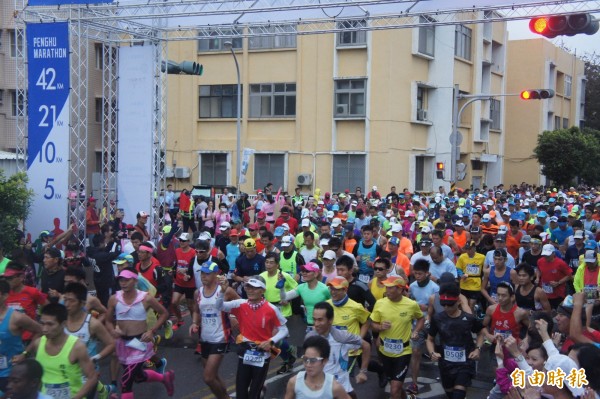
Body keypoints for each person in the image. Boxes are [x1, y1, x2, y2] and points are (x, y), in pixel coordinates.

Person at [216, 276, 289, 399]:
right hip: (245, 351)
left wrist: (271, 341)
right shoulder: (240, 304)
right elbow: (219, 306)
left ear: (263, 290)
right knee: (241, 390)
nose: (250, 290)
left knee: (254, 391)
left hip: (262, 353)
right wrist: (222, 291)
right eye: (248, 287)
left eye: (255, 288)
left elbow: (284, 329)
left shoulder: (271, 309)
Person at [105, 268, 174, 398]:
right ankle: (165, 378)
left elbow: (164, 313)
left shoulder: (145, 298)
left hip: (139, 344)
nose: (123, 283)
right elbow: (108, 321)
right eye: (121, 280)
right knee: (138, 377)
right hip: (123, 344)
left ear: (135, 280)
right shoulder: (114, 299)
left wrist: (151, 331)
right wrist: (112, 331)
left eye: (127, 280)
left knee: (126, 382)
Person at [189, 262, 239, 399]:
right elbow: (196, 311)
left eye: (207, 273)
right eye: (202, 273)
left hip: (221, 337)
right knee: (214, 375)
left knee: (208, 377)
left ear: (216, 274)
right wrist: (194, 323)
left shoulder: (225, 290)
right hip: (205, 338)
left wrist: (233, 315)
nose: (204, 276)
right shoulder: (197, 292)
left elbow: (241, 304)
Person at [426, 282, 485, 399]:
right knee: (450, 393)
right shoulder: (438, 318)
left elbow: (480, 333)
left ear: (458, 301)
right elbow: (430, 339)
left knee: (458, 395)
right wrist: (432, 353)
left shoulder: (468, 319)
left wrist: (478, 349)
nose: (446, 308)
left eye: (450, 304)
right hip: (446, 364)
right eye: (444, 304)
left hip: (465, 363)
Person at [370, 276, 424, 399]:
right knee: (396, 387)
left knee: (394, 391)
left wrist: (415, 331)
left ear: (400, 289)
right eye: (386, 287)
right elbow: (372, 325)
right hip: (385, 352)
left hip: (403, 352)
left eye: (390, 287)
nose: (387, 290)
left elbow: (420, 318)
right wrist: (379, 327)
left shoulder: (411, 305)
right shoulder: (380, 303)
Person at [31, 303, 98, 399]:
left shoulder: (77, 347)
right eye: (42, 324)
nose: (45, 329)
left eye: (50, 324)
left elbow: (92, 377)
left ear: (63, 324)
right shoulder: (38, 344)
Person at [63, 283, 116, 399]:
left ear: (82, 303)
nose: (67, 304)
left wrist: (96, 358)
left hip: (87, 377)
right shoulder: (61, 321)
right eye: (65, 300)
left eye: (71, 301)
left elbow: (112, 344)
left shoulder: (92, 324)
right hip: (65, 375)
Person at [306, 302, 370, 399]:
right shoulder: (309, 337)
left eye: (320, 320)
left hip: (342, 389)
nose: (316, 324)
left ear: (330, 320)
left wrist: (363, 371)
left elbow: (366, 346)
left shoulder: (342, 337)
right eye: (314, 320)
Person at [0, 279, 42, 393]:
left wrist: (25, 353)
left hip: (10, 375)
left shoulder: (16, 318)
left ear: (4, 296)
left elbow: (40, 330)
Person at [407, 259, 439, 395]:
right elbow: (409, 302)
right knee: (415, 352)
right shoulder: (412, 286)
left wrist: (428, 308)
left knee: (438, 354)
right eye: (415, 273)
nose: (417, 276)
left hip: (433, 325)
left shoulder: (434, 288)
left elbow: (439, 309)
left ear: (427, 273)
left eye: (420, 274)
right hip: (417, 324)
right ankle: (414, 383)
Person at [284, 335, 350, 399]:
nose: (308, 365)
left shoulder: (334, 388)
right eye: (305, 359)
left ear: (324, 361)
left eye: (313, 360)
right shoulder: (294, 382)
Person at [171, 232, 196, 331]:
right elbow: (176, 264)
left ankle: (195, 323)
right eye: (180, 240)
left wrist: (186, 271)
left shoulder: (193, 252)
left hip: (190, 283)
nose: (181, 242)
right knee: (174, 302)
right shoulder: (176, 251)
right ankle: (180, 319)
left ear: (189, 242)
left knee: (190, 306)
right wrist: (172, 271)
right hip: (179, 282)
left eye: (184, 241)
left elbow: (194, 266)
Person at [538, 243, 573, 309]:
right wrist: (537, 277)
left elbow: (569, 275)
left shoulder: (560, 263)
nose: (546, 257)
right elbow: (539, 270)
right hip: (544, 292)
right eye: (544, 255)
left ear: (553, 253)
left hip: (558, 293)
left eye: (548, 255)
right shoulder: (540, 261)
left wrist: (558, 282)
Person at [455, 240, 485, 310]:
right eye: (467, 249)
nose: (468, 251)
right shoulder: (462, 257)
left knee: (471, 304)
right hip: (464, 284)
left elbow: (485, 269)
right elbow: (458, 268)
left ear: (474, 248)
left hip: (475, 284)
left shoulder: (482, 257)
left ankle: (472, 318)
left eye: (470, 249)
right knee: (464, 304)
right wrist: (461, 274)